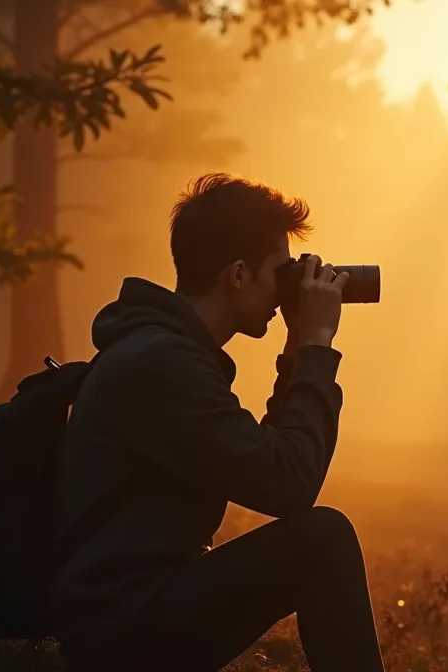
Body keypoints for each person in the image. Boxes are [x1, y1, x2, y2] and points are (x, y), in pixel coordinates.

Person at [47, 173, 385, 671]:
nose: (284, 292)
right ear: (239, 274)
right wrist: (318, 345)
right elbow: (290, 484)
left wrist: (297, 349)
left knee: (321, 538)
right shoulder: (163, 365)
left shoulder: (160, 350)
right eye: (282, 273)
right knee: (324, 540)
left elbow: (273, 461)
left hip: (122, 614)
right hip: (117, 634)